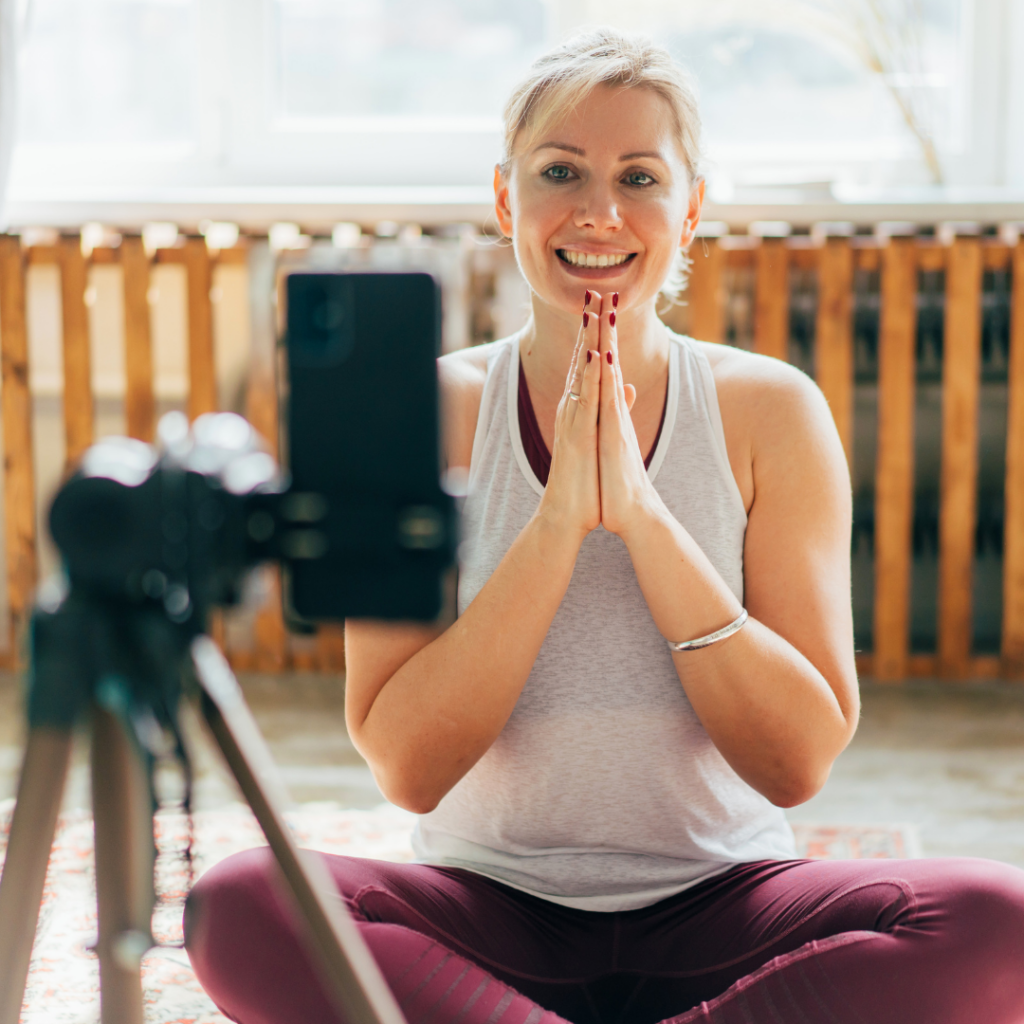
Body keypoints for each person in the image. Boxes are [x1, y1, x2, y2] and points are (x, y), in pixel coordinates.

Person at [184, 28, 1024, 1024]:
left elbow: (793, 761)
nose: (598, 211)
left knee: (996, 919)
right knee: (239, 904)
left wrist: (638, 515)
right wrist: (556, 526)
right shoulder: (425, 409)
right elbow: (409, 769)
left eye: (638, 175)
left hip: (725, 904)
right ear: (506, 199)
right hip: (486, 909)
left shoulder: (769, 410)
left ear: (690, 208)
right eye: (559, 171)